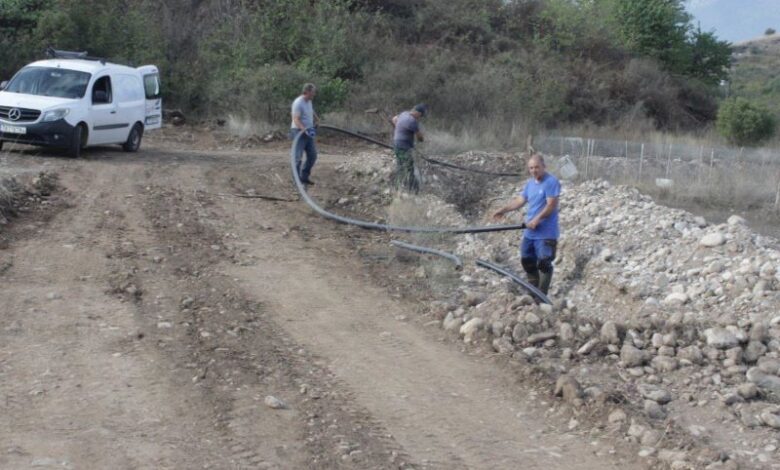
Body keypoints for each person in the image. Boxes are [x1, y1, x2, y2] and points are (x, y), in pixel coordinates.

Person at [491, 154, 561, 295]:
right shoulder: (530, 184)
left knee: (544, 262)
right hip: (530, 232)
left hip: (546, 232)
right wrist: (503, 210)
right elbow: (520, 201)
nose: (534, 170)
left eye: (536, 167)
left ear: (543, 166)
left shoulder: (551, 182)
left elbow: (551, 205)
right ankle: (532, 289)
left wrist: (537, 219)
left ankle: (542, 296)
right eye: (531, 168)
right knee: (526, 260)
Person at [391, 104, 427, 192]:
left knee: (400, 164)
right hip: (404, 147)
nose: (420, 118)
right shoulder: (412, 121)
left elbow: (394, 119)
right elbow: (420, 138)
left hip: (396, 144)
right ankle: (414, 190)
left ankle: (397, 187)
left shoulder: (404, 114)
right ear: (418, 113)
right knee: (409, 167)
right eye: (421, 115)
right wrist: (422, 138)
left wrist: (399, 128)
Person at [290, 83, 320, 185]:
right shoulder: (298, 103)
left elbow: (311, 110)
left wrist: (316, 119)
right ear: (306, 92)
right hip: (299, 131)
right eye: (312, 92)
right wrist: (304, 130)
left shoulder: (309, 101)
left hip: (309, 132)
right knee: (297, 158)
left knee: (312, 156)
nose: (314, 94)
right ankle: (296, 181)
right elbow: (296, 119)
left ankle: (304, 177)